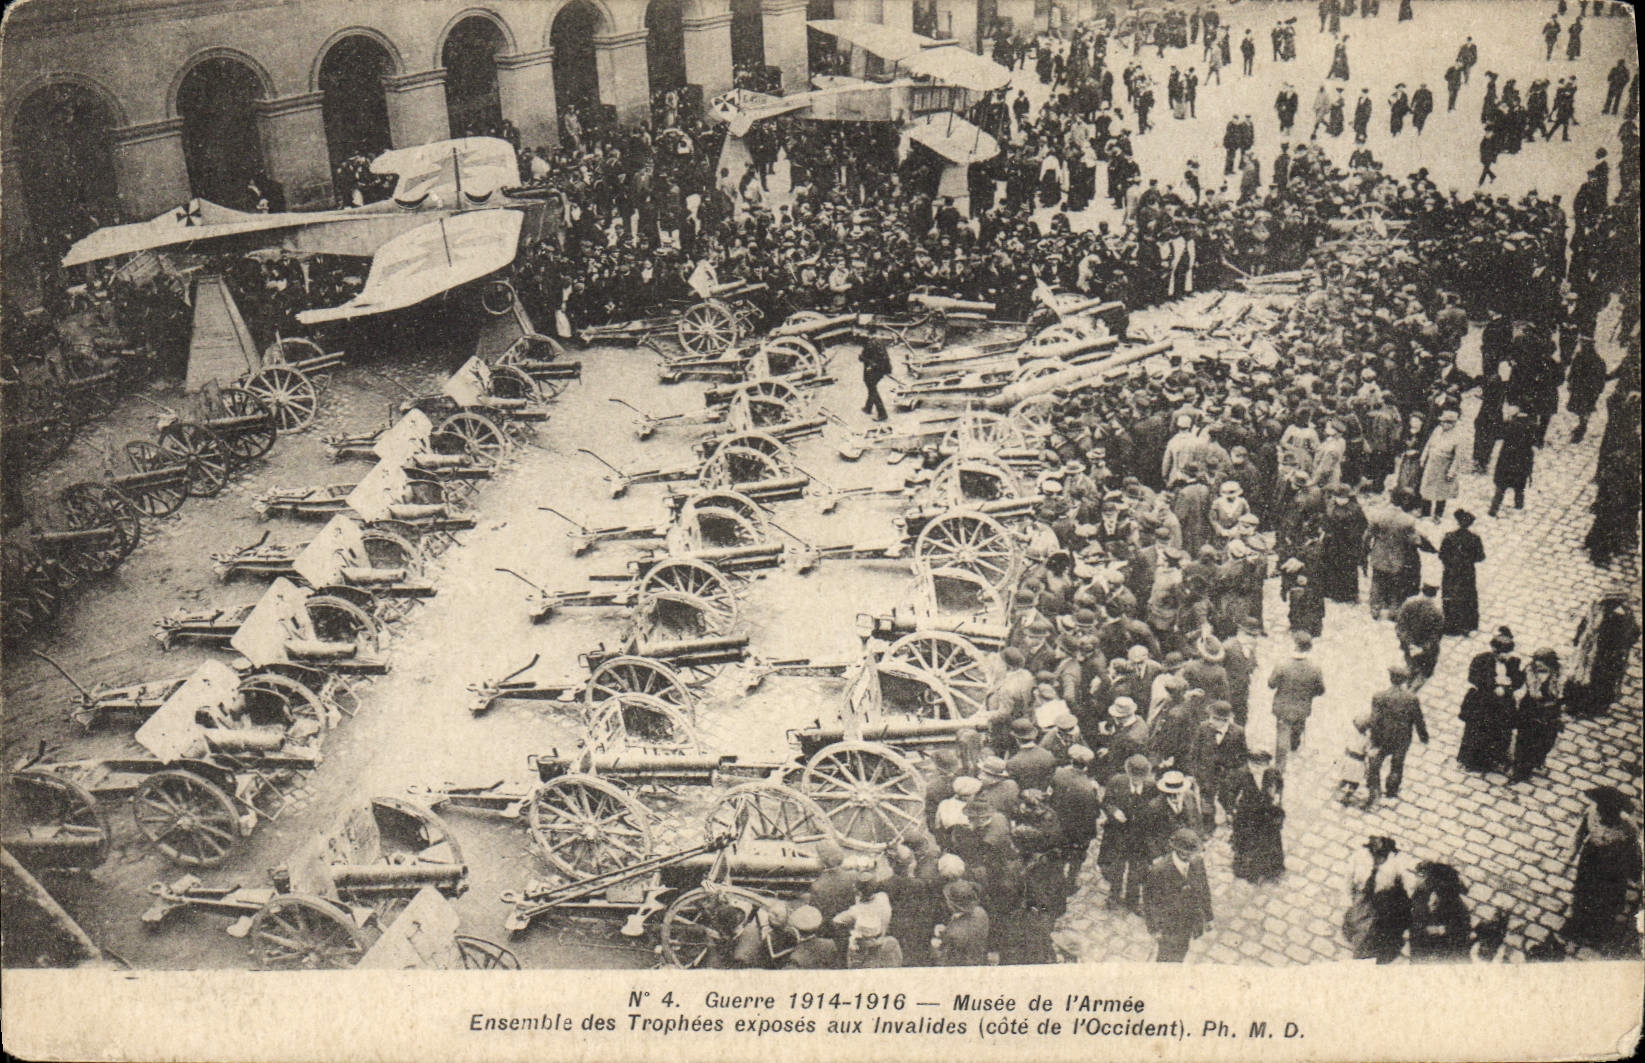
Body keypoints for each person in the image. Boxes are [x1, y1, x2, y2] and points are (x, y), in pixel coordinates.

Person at [1558, 786, 1641, 957]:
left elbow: (1634, 852)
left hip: (1613, 868)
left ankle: (1598, 931)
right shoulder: (1591, 813)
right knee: (1584, 892)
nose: (1603, 815)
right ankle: (1577, 923)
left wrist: (1635, 873)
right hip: (1590, 860)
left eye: (1608, 813)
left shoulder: (1628, 827)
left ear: (1617, 813)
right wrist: (1568, 859)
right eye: (1602, 811)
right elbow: (1579, 835)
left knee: (1606, 898)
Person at [1142, 828, 1214, 962]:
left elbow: (1204, 889)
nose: (1193, 856)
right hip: (1169, 926)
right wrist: (1154, 929)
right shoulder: (1159, 870)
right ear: (1181, 852)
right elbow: (1149, 902)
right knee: (1167, 957)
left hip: (1189, 921)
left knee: (1182, 951)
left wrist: (1208, 916)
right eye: (1190, 853)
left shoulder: (1197, 862)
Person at [1458, 627, 1524, 774]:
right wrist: (1493, 685)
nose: (1504, 657)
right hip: (1483, 703)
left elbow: (1519, 680)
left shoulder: (1514, 662)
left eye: (1507, 653)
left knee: (1500, 732)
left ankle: (1494, 759)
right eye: (1501, 653)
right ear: (1494, 650)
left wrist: (1509, 685)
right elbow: (1473, 677)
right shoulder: (1481, 659)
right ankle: (1471, 761)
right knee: (1477, 731)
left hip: (1503, 705)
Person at [1099, 753, 1160, 912]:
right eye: (1133, 777)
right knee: (1117, 868)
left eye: (1140, 778)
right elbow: (1106, 802)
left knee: (1137, 871)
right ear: (1127, 772)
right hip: (1118, 835)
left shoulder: (1152, 787)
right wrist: (1114, 812)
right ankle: (1113, 897)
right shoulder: (1116, 782)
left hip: (1140, 838)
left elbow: (1156, 811)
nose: (1136, 781)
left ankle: (1132, 901)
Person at [1365, 663, 1429, 806]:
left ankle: (1375, 790)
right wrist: (1423, 736)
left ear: (1390, 678)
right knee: (1397, 764)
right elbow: (1418, 719)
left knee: (1376, 763)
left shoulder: (1379, 696)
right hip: (1402, 738)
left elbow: (1374, 720)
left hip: (1382, 737)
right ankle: (1392, 790)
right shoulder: (1411, 698)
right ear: (1405, 681)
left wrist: (1373, 739)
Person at [1342, 835, 1412, 963]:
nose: (1378, 858)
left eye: (1382, 855)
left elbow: (1404, 883)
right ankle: (1362, 950)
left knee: (1375, 926)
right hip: (1362, 896)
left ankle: (1368, 950)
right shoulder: (1359, 857)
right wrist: (1348, 899)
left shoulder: (1395, 863)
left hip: (1384, 899)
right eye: (1375, 853)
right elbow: (1348, 878)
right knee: (1361, 923)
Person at [1267, 630, 1326, 770]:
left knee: (1282, 737)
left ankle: (1279, 768)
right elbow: (1321, 690)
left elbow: (1271, 684)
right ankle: (1294, 744)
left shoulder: (1282, 665)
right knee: (1298, 726)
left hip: (1283, 708)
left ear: (1295, 645)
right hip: (1302, 708)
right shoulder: (1315, 668)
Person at [1228, 749, 1285, 883]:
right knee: (1248, 843)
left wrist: (1277, 796)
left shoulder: (1272, 773)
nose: (1258, 769)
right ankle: (1249, 871)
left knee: (1269, 842)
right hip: (1248, 815)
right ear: (1249, 763)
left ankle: (1270, 869)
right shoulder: (1241, 774)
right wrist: (1231, 810)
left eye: (1262, 765)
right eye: (1255, 765)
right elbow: (1230, 793)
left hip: (1266, 814)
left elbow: (1280, 785)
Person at [1511, 648, 1565, 783]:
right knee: (1524, 740)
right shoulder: (1529, 670)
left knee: (1545, 741)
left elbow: (1563, 697)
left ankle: (1537, 760)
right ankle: (1520, 771)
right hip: (1529, 710)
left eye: (1542, 663)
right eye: (1536, 662)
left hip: (1549, 713)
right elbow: (1517, 684)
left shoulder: (1560, 676)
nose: (1538, 666)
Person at [1408, 862, 1472, 962]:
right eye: (1431, 890)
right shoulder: (1421, 893)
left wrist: (1440, 930)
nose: (1433, 897)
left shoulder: (1459, 911)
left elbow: (1460, 934)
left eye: (1439, 893)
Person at [1437, 510, 1485, 635]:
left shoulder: (1449, 537)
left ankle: (1449, 625)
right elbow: (1480, 557)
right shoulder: (1475, 539)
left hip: (1450, 572)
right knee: (1467, 597)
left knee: (1449, 596)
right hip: (1467, 573)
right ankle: (1466, 626)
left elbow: (1441, 555)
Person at [1488, 405, 1537, 516]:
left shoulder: (1510, 425)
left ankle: (1493, 510)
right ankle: (1518, 506)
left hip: (1507, 460)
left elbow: (1498, 434)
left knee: (1501, 487)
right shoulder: (1532, 426)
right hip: (1522, 461)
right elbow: (1534, 444)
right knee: (1519, 487)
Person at [1417, 408, 1465, 519]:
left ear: (1452, 424)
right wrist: (1423, 458)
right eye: (1442, 421)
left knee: (1441, 492)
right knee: (1426, 488)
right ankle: (1425, 512)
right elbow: (1428, 445)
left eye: (1445, 422)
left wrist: (1451, 473)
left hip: (1443, 467)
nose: (1442, 424)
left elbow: (1458, 458)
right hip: (1431, 464)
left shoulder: (1458, 436)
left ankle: (1438, 515)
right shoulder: (1437, 430)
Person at [932, 879, 991, 965]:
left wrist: (935, 947)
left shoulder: (954, 934)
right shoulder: (981, 912)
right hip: (979, 960)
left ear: (952, 904)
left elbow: (945, 960)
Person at [858, 334, 893, 421]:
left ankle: (882, 414)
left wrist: (861, 357)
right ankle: (868, 407)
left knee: (872, 388)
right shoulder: (878, 340)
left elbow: (864, 358)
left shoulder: (868, 345)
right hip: (884, 367)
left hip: (876, 369)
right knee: (871, 386)